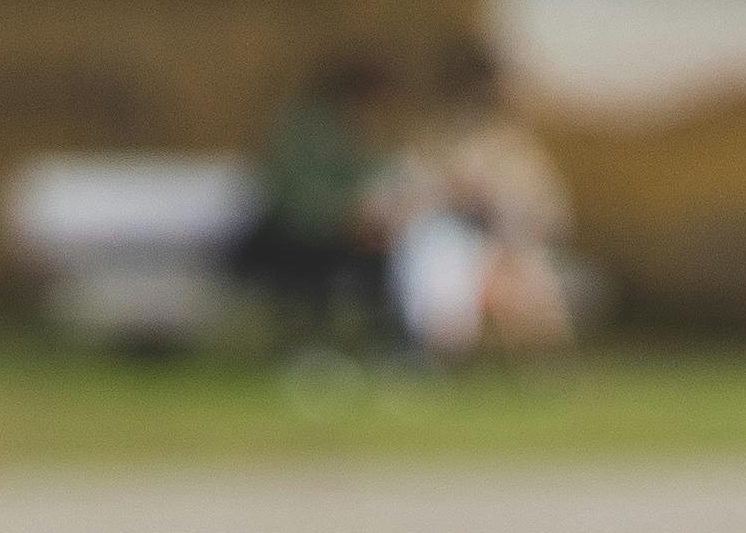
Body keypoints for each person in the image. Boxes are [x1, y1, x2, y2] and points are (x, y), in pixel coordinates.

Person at [378, 48, 578, 359]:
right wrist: (443, 197)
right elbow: (388, 212)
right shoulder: (426, 146)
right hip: (440, 248)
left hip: (509, 249)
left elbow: (549, 217)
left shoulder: (516, 151)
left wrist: (501, 227)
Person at [234, 58, 393, 342]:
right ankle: (311, 340)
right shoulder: (308, 129)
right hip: (297, 235)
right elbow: (298, 194)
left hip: (341, 234)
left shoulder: (355, 132)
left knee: (384, 259)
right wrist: (347, 219)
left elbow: (372, 182)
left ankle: (380, 339)